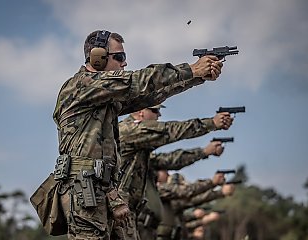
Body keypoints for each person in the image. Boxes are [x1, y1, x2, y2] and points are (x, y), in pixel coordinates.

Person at [52, 29, 224, 239]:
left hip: (103, 191)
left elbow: (149, 95)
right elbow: (137, 81)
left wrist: (196, 77)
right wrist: (191, 69)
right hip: (85, 191)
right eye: (120, 57)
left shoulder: (102, 97)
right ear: (98, 58)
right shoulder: (82, 85)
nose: (124, 63)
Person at [115, 104, 233, 239]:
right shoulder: (130, 130)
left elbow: (169, 160)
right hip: (126, 217)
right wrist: (211, 123)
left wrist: (204, 152)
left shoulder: (139, 148)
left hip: (133, 220)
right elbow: (169, 130)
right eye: (155, 111)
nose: (159, 115)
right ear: (141, 111)